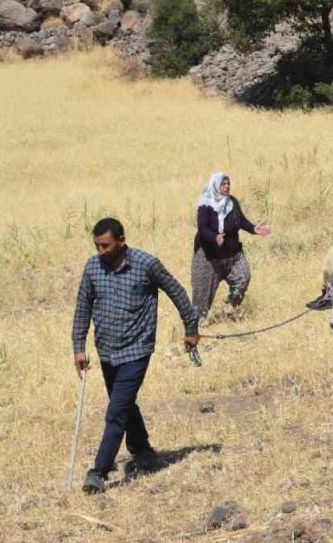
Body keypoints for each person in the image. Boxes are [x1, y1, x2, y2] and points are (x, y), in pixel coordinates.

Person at [72, 217, 199, 494]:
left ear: (121, 240)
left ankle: (98, 471)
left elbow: (176, 291)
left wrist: (191, 328)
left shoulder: (146, 264)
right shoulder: (93, 267)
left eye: (105, 245)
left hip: (137, 349)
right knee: (124, 405)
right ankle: (142, 451)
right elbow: (83, 306)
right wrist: (79, 347)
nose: (101, 251)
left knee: (116, 412)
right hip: (106, 350)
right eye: (97, 246)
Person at [193, 172, 271, 323]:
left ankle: (230, 307)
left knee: (243, 277)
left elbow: (240, 221)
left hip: (232, 254)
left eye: (228, 183)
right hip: (209, 258)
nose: (227, 186)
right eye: (223, 184)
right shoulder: (206, 206)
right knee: (202, 295)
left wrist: (254, 229)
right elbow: (202, 228)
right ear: (215, 185)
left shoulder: (232, 202)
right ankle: (198, 324)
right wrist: (215, 237)